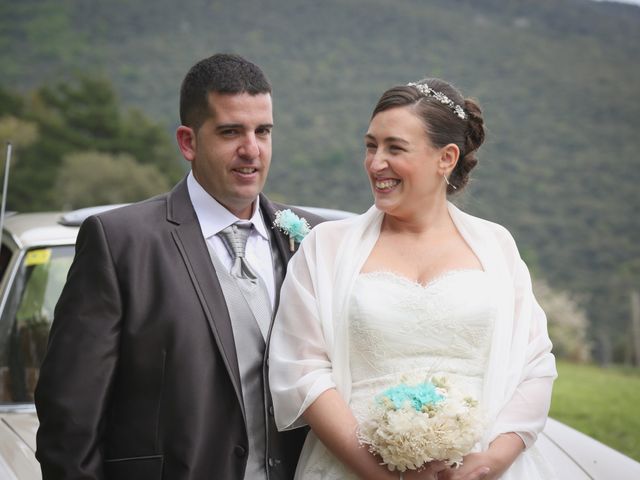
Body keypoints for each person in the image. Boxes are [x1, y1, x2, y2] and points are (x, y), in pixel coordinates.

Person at [35, 53, 321, 480]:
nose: (252, 149)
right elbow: (69, 419)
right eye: (230, 132)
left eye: (263, 131)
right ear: (188, 141)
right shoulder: (119, 243)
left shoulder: (310, 240)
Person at [268, 79, 557, 479]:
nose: (375, 163)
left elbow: (535, 365)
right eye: (371, 146)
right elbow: (303, 369)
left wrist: (492, 460)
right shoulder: (326, 246)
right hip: (352, 467)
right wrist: (382, 473)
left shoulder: (497, 246)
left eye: (394, 148)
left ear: (447, 158)